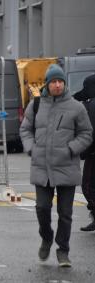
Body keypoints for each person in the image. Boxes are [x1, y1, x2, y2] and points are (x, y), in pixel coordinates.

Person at [20, 64, 93, 267]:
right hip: (42, 167)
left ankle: (63, 251)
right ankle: (46, 237)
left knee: (65, 214)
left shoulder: (76, 107)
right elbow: (25, 130)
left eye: (60, 81)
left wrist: (71, 149)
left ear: (64, 83)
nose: (57, 85)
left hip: (67, 167)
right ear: (48, 84)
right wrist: (31, 148)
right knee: (42, 207)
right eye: (54, 81)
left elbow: (87, 133)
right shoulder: (35, 105)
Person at [73, 74, 95, 231]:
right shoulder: (90, 102)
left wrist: (84, 151)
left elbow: (90, 132)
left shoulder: (92, 105)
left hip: (93, 153)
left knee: (88, 186)